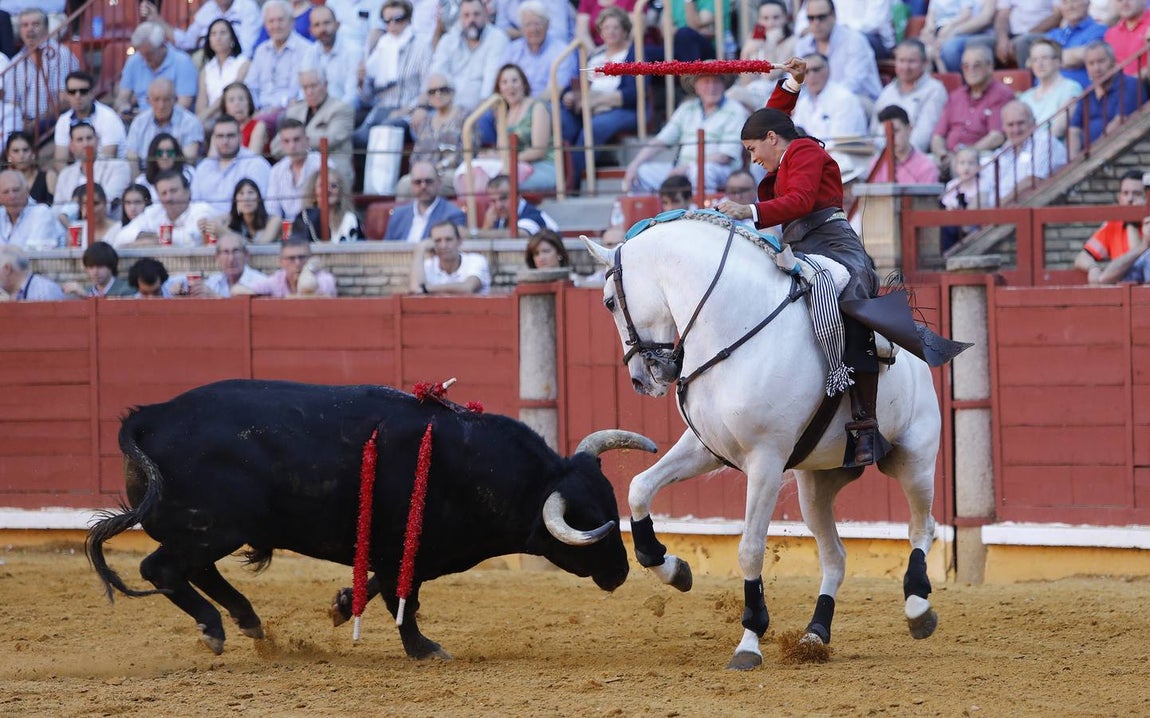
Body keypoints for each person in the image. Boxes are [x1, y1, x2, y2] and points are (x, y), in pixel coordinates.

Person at [715, 58, 887, 468]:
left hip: (833, 245)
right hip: (800, 244)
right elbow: (772, 118)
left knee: (849, 303)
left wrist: (749, 212)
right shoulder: (786, 144)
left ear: (772, 140)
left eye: (754, 149)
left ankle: (865, 422)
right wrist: (791, 83)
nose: (753, 159)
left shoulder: (805, 151)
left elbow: (802, 202)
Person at [622, 71, 747, 194]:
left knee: (701, 171)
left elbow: (724, 156)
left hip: (721, 170)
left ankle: (701, 213)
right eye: (706, 82)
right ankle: (653, 213)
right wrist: (634, 164)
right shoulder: (687, 108)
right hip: (682, 169)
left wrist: (687, 168)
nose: (711, 87)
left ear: (723, 85)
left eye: (716, 82)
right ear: (696, 87)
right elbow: (661, 140)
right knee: (641, 172)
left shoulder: (735, 110)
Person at [455, 63, 558, 197]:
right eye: (504, 82)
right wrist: (493, 155)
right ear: (499, 89)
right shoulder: (503, 113)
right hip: (514, 167)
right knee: (480, 181)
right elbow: (502, 150)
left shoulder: (538, 107)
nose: (510, 86)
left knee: (499, 188)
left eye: (515, 81)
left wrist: (505, 158)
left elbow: (538, 151)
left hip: (543, 166)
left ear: (524, 84)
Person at [567, 6, 639, 187]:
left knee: (593, 129)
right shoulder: (596, 55)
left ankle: (572, 183)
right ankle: (558, 175)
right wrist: (570, 96)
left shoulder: (634, 54)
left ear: (625, 30)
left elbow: (632, 94)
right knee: (562, 121)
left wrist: (596, 100)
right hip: (590, 104)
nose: (611, 32)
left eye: (616, 27)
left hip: (621, 108)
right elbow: (580, 83)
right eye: (606, 28)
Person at [929, 44, 1014, 177]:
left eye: (977, 65)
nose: (971, 70)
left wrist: (965, 154)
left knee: (964, 164)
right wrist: (941, 154)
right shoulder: (955, 96)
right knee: (924, 164)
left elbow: (996, 137)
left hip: (980, 154)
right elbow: (937, 136)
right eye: (966, 66)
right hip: (950, 155)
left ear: (990, 67)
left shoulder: (1001, 95)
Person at [355, 0, 431, 148]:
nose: (392, 25)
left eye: (398, 20)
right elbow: (367, 97)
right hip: (381, 109)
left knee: (385, 132)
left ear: (408, 19)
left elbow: (426, 88)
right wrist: (361, 81)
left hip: (408, 110)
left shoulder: (421, 45)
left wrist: (408, 109)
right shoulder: (381, 46)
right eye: (387, 21)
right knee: (356, 138)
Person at [2, 8, 80, 132]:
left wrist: (35, 124)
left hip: (54, 121)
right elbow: (12, 103)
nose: (29, 29)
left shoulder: (61, 55)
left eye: (35, 24)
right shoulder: (15, 62)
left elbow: (65, 100)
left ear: (47, 28)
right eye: (25, 25)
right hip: (24, 124)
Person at [793, 0, 882, 107]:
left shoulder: (855, 41)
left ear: (833, 15)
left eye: (821, 17)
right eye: (811, 18)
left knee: (847, 103)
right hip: (818, 103)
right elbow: (796, 82)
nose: (816, 23)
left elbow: (853, 84)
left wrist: (821, 101)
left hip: (859, 101)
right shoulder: (803, 45)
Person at [428, 0, 510, 115]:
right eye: (466, 15)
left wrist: (471, 116)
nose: (471, 20)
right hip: (446, 107)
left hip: (481, 110)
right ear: (460, 18)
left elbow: (489, 86)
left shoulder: (497, 38)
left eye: (476, 14)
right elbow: (436, 74)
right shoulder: (449, 39)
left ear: (485, 15)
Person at [1067, 41, 1144, 160]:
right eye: (1091, 64)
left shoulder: (1129, 85)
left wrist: (1092, 153)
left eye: (1101, 61)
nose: (1096, 68)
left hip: (1117, 154)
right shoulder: (1088, 93)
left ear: (1113, 62)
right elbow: (1074, 129)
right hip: (1086, 157)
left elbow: (1120, 122)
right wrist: (1074, 159)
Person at [980, 100, 1066, 206]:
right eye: (1010, 125)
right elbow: (985, 183)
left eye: (1020, 123)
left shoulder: (1044, 141)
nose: (1016, 129)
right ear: (1004, 128)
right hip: (997, 213)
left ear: (1033, 123)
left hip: (1029, 209)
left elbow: (1033, 181)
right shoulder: (1004, 151)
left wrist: (997, 209)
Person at [395, 73, 465, 198]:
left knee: (425, 183)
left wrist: (434, 170)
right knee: (405, 183)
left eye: (443, 90)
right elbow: (415, 156)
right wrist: (421, 171)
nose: (438, 94)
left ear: (453, 92)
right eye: (433, 92)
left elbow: (466, 153)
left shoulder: (465, 118)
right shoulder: (425, 122)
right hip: (424, 173)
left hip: (450, 172)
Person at [279, 70, 355, 185]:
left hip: (332, 169)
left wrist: (297, 141)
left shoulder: (342, 109)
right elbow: (275, 146)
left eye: (313, 86)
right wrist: (302, 140)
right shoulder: (294, 110)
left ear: (325, 85)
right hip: (298, 170)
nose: (309, 92)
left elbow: (331, 139)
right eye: (305, 88)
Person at [871, 38, 948, 153]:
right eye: (901, 61)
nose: (905, 67)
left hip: (912, 158)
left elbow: (922, 138)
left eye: (911, 61)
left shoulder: (934, 90)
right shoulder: (888, 91)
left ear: (925, 63)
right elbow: (873, 131)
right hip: (880, 155)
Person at [246, 0, 313, 124]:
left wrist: (281, 106)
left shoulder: (306, 49)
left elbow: (303, 92)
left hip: (290, 112)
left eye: (280, 20)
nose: (276, 26)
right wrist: (254, 108)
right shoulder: (261, 51)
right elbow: (251, 86)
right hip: (260, 111)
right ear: (265, 25)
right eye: (271, 21)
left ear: (292, 22)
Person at [1074, 169, 1146, 284]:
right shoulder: (1113, 225)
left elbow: (1139, 264)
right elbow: (1082, 257)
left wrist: (1132, 223)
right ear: (1119, 198)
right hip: (1121, 294)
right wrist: (1093, 268)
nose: (1130, 199)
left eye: (1137, 194)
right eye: (1125, 193)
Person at [52, 123, 132, 225]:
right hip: (70, 231)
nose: (85, 144)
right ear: (72, 146)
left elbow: (107, 204)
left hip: (109, 229)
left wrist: (66, 214)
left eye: (89, 138)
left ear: (97, 141)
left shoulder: (118, 166)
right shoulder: (65, 174)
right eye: (80, 140)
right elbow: (56, 210)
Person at [191, 115, 273, 214]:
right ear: (214, 139)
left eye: (230, 136)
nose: (225, 142)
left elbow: (257, 209)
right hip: (203, 225)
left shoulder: (255, 164)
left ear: (240, 137)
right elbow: (194, 206)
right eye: (220, 136)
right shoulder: (204, 167)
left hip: (238, 226)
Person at [115, 22, 199, 116]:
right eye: (141, 54)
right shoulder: (134, 60)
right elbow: (122, 98)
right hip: (138, 119)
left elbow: (183, 105)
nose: (145, 59)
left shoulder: (183, 62)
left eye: (149, 54)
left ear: (162, 45)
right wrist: (124, 108)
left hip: (173, 120)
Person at [113, 169, 215, 247]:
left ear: (187, 192)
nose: (169, 198)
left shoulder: (202, 210)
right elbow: (120, 237)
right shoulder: (153, 212)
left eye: (174, 191)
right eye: (164, 193)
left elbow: (192, 238)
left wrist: (154, 240)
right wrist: (152, 238)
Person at [791, 52, 870, 147]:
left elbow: (840, 144)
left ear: (828, 70)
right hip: (813, 156)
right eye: (806, 72)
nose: (812, 75)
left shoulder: (844, 99)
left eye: (816, 70)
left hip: (842, 158)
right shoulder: (803, 103)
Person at [125, 78, 206, 170]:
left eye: (166, 100)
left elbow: (189, 158)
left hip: (179, 175)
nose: (161, 106)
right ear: (148, 100)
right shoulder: (139, 123)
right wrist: (138, 183)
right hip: (147, 174)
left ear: (175, 100)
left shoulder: (190, 122)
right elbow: (131, 157)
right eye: (156, 100)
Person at [729, 0, 795, 111]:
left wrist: (770, 43)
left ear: (785, 18)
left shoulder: (792, 41)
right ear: (759, 20)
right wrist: (746, 52)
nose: (770, 23)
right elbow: (746, 82)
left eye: (776, 17)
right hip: (755, 93)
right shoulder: (755, 39)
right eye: (765, 18)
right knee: (732, 96)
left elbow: (771, 75)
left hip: (778, 94)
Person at [53, 70, 125, 170]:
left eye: (83, 91)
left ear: (91, 93)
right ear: (67, 95)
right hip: (79, 175)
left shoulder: (108, 117)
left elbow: (108, 159)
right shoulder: (63, 120)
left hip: (109, 174)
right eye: (72, 92)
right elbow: (60, 162)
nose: (77, 96)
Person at [298, 4, 361, 110]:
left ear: (337, 24)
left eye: (326, 23)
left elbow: (353, 97)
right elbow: (303, 90)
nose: (322, 29)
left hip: (344, 112)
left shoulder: (353, 51)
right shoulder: (310, 53)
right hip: (316, 110)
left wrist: (328, 113)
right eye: (317, 25)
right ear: (311, 30)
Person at [386, 160, 467, 241]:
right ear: (411, 185)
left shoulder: (453, 215)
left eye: (428, 181)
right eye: (418, 182)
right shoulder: (398, 215)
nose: (423, 186)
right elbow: (386, 250)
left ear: (439, 183)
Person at [1018, 38, 1082, 140]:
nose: (1039, 64)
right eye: (1034, 60)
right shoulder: (1025, 97)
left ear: (1059, 61)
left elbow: (1058, 130)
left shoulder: (1071, 88)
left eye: (1045, 58)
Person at [408, 219, 490, 294]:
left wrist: (426, 288)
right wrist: (420, 249)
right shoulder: (428, 265)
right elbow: (415, 289)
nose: (443, 245)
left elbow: (468, 288)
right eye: (438, 241)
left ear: (459, 241)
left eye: (449, 239)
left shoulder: (475, 260)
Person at [918, 0, 997, 73]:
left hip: (980, 34)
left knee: (950, 47)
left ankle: (961, 82)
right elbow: (933, 18)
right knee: (919, 47)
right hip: (950, 31)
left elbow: (985, 19)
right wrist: (929, 31)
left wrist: (953, 33)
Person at [195, 18, 251, 121]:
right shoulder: (206, 70)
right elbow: (201, 101)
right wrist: (201, 118)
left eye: (223, 33)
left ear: (232, 38)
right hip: (210, 118)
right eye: (214, 34)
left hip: (233, 117)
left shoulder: (243, 63)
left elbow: (231, 94)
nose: (218, 38)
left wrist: (205, 116)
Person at [868, 105, 940, 184]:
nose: (891, 138)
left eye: (895, 131)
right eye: (886, 133)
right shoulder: (877, 165)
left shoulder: (926, 167)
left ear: (909, 129)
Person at [1044, 0, 1106, 90]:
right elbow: (1031, 61)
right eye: (1065, 2)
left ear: (1088, 3)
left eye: (1075, 1)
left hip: (1078, 94)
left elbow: (1088, 55)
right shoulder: (1054, 34)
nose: (1070, 6)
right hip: (1044, 94)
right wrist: (1070, 56)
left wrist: (1049, 59)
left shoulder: (1099, 30)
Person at [199, 177, 281, 245]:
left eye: (250, 192)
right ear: (236, 201)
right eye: (241, 193)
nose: (246, 198)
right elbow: (215, 222)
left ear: (259, 198)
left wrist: (225, 233)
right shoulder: (233, 219)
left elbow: (259, 247)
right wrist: (206, 224)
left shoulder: (274, 220)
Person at [290, 169, 364, 243]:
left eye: (333, 186)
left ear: (340, 193)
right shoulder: (304, 217)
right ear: (313, 192)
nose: (328, 190)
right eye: (322, 185)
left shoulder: (349, 219)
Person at [478, 173, 559, 237]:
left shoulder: (532, 215)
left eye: (503, 198)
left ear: (518, 197)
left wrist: (474, 234)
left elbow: (518, 235)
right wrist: (487, 226)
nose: (498, 206)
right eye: (493, 201)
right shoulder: (498, 218)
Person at [253, 237, 338, 297]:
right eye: (291, 258)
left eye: (302, 257)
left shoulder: (324, 279)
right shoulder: (278, 279)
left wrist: (307, 269)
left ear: (310, 258)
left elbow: (306, 286)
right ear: (281, 262)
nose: (297, 263)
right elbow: (248, 291)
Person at [0, 169, 63, 250]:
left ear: (26, 191)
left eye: (16, 190)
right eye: (6, 192)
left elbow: (34, 254)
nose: (12, 196)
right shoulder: (1, 214)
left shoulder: (41, 213)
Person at [992, 0, 1060, 70]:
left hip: (1042, 33)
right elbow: (1002, 16)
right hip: (1012, 34)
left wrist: (1028, 34)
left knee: (1022, 43)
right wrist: (1002, 40)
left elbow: (1057, 16)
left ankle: (1028, 78)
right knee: (984, 44)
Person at [194, 234, 269, 297]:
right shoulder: (213, 283)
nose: (231, 259)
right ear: (217, 258)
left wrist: (215, 298)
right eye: (225, 252)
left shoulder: (261, 282)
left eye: (236, 251)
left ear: (246, 255)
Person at [939, 146, 983, 251]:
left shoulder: (982, 185)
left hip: (975, 224)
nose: (966, 167)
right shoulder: (951, 185)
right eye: (962, 163)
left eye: (971, 163)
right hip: (954, 223)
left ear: (978, 167)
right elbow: (947, 205)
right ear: (956, 167)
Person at [211, 82, 269, 157]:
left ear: (249, 103)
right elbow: (212, 159)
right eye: (231, 100)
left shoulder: (258, 126)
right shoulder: (219, 128)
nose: (237, 104)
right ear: (225, 106)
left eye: (241, 99)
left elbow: (252, 157)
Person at [61, 241, 137, 298]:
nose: (95, 272)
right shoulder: (87, 290)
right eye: (90, 267)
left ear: (111, 266)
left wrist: (86, 296)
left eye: (100, 266)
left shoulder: (127, 289)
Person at [135, 132, 197, 201]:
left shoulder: (189, 174)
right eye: (160, 153)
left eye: (169, 152)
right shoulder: (142, 182)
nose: (165, 157)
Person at [1103, 0, 1150, 82]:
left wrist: (1129, 83)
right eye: (1119, 0)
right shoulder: (1111, 33)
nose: (1124, 3)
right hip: (1118, 90)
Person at [4, 131, 54, 205]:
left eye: (25, 150)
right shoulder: (2, 181)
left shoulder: (49, 177)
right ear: (8, 155)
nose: (21, 155)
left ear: (33, 153)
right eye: (16, 151)